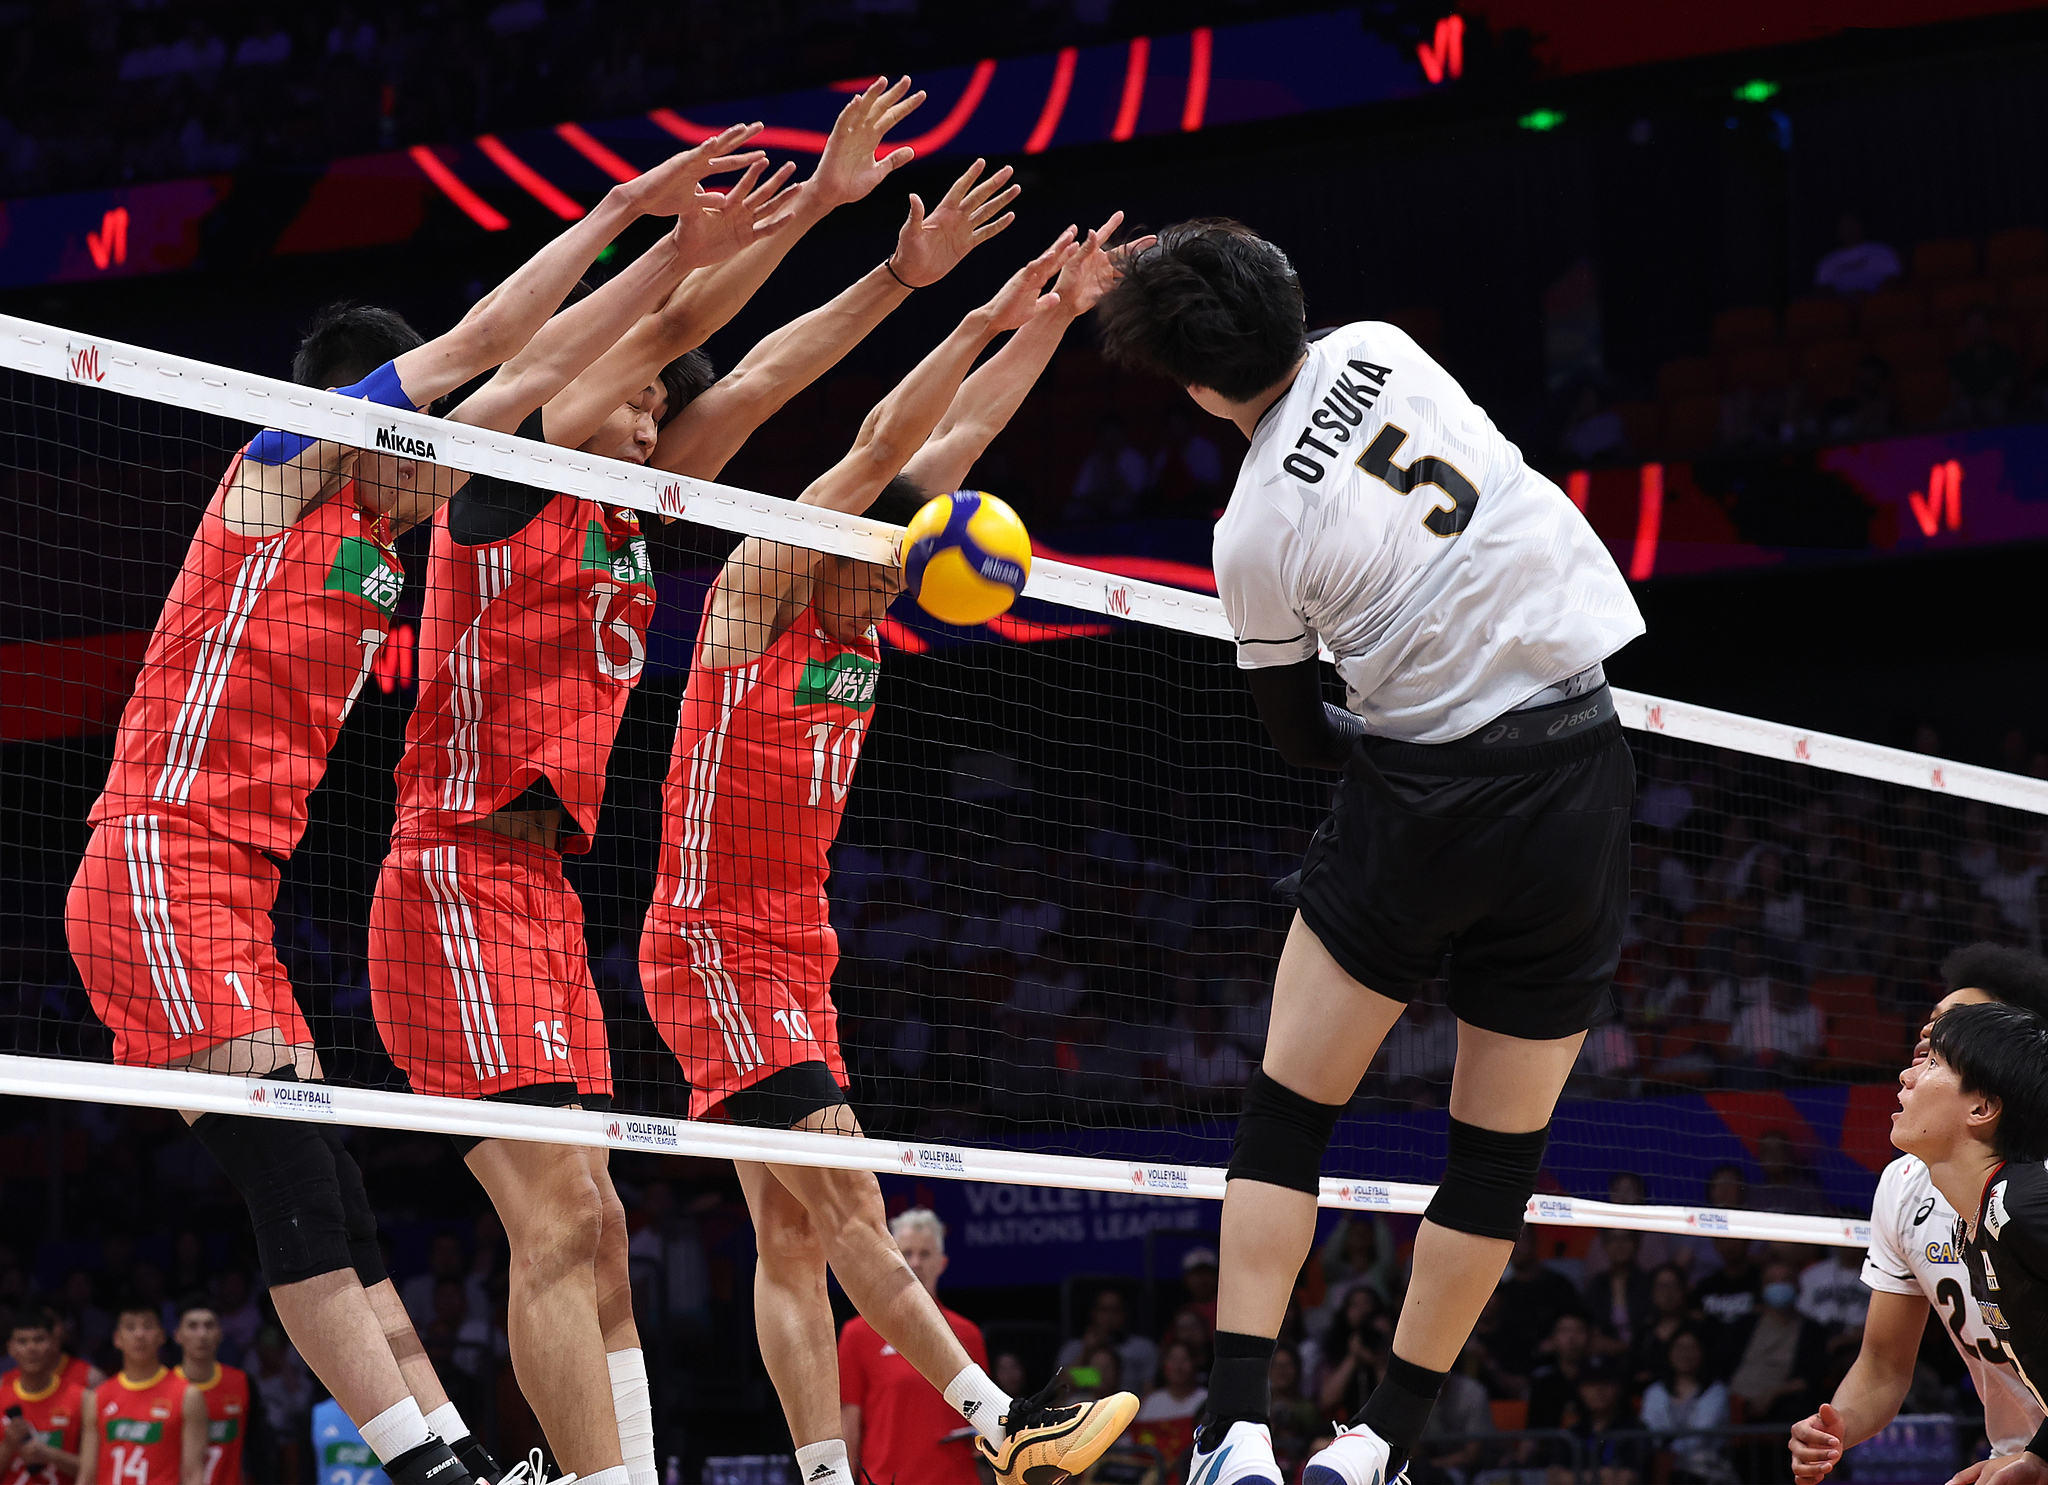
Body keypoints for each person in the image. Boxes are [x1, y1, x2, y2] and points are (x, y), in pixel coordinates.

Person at [60, 122, 765, 1485]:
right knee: (297, 1190)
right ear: (364, 408)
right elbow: (498, 339)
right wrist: (629, 209)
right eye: (429, 423)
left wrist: (686, 264)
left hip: (237, 900)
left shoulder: (388, 536)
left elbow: (549, 370)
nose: (454, 446)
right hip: (154, 856)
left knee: (339, 1206)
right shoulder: (281, 469)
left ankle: (446, 1451)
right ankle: (430, 1470)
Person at [1097, 218, 1644, 1485]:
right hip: (1579, 770)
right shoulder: (1385, 348)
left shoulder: (1251, 539)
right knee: (1495, 1156)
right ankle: (1381, 1448)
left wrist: (1411, 769)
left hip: (1423, 800)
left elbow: (1297, 737)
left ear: (1189, 385)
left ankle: (1233, 1431)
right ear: (1289, 299)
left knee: (1288, 1116)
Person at [635, 217, 1145, 1485]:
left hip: (795, 950)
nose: (896, 581)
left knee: (791, 1241)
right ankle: (1004, 1425)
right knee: (850, 1200)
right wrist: (972, 314)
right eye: (887, 554)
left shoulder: (871, 619)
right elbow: (878, 450)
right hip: (707, 945)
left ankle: (819, 1475)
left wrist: (1054, 318)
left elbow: (955, 441)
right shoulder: (761, 593)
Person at [367, 120, 800, 1485]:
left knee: (602, 1220)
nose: (658, 421)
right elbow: (650, 329)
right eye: (646, 404)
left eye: (667, 412)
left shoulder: (630, 521)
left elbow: (768, 380)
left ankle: (624, 1471)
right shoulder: (505, 490)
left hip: (544, 894)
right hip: (447, 877)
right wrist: (693, 239)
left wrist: (884, 263)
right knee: (555, 1219)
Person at [1789, 944, 2048, 1484]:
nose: (1927, 1038)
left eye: (1954, 1030)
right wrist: (1836, 1428)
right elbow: (1882, 1364)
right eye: (1931, 1026)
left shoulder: (2022, 1199)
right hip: (2018, 1455)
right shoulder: (1915, 1188)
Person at [838, 1211, 987, 1485]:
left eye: (925, 1253)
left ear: (942, 1263)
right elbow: (848, 1425)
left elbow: (983, 1420)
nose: (916, 1262)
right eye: (906, 1253)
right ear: (889, 1262)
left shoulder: (968, 1334)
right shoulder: (857, 1335)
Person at [76, 1306, 206, 1485]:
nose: (139, 1335)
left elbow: (194, 1474)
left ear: (161, 1336)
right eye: (130, 1328)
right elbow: (87, 1474)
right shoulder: (98, 1397)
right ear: (117, 1339)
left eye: (147, 1327)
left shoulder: (188, 1395)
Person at [1, 1306, 88, 1485]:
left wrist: (50, 1454)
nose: (31, 1348)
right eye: (23, 1342)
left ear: (54, 1343)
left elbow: (96, 1470)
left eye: (39, 1340)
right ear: (11, 1348)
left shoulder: (82, 1399)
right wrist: (7, 1446)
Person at [172, 1301, 251, 1485]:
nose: (202, 1334)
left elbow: (255, 1448)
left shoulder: (241, 1383)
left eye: (209, 1326)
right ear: (177, 1335)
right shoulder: (164, 1389)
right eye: (192, 1326)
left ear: (220, 1333)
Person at [1640, 1329, 1732, 1485]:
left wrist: (1672, 1453)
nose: (1685, 1354)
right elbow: (1650, 1429)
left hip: (1708, 1467)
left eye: (1692, 1348)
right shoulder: (1655, 1391)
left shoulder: (1716, 1391)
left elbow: (1702, 1432)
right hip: (1660, 1464)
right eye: (1679, 1348)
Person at [1055, 1291, 1159, 1396]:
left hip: (1130, 1407)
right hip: (1088, 1406)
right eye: (1104, 1310)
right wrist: (1087, 1352)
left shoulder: (1142, 1347)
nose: (1109, 1316)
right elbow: (1062, 1388)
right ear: (1093, 1313)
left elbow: (1149, 1391)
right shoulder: (1074, 1348)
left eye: (1115, 1310)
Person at [1813, 214, 1902, 296]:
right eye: (1844, 226)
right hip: (1842, 305)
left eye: (1852, 225)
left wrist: (1873, 295)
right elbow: (1823, 287)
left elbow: (1894, 277)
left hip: (1878, 301)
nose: (1848, 230)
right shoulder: (1829, 259)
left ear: (1861, 226)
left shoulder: (1881, 250)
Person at [1138, 1343, 1209, 1422]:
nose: (1178, 1367)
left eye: (1184, 1359)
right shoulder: (1153, 1401)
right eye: (1173, 1359)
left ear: (1194, 1362)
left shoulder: (1206, 1399)